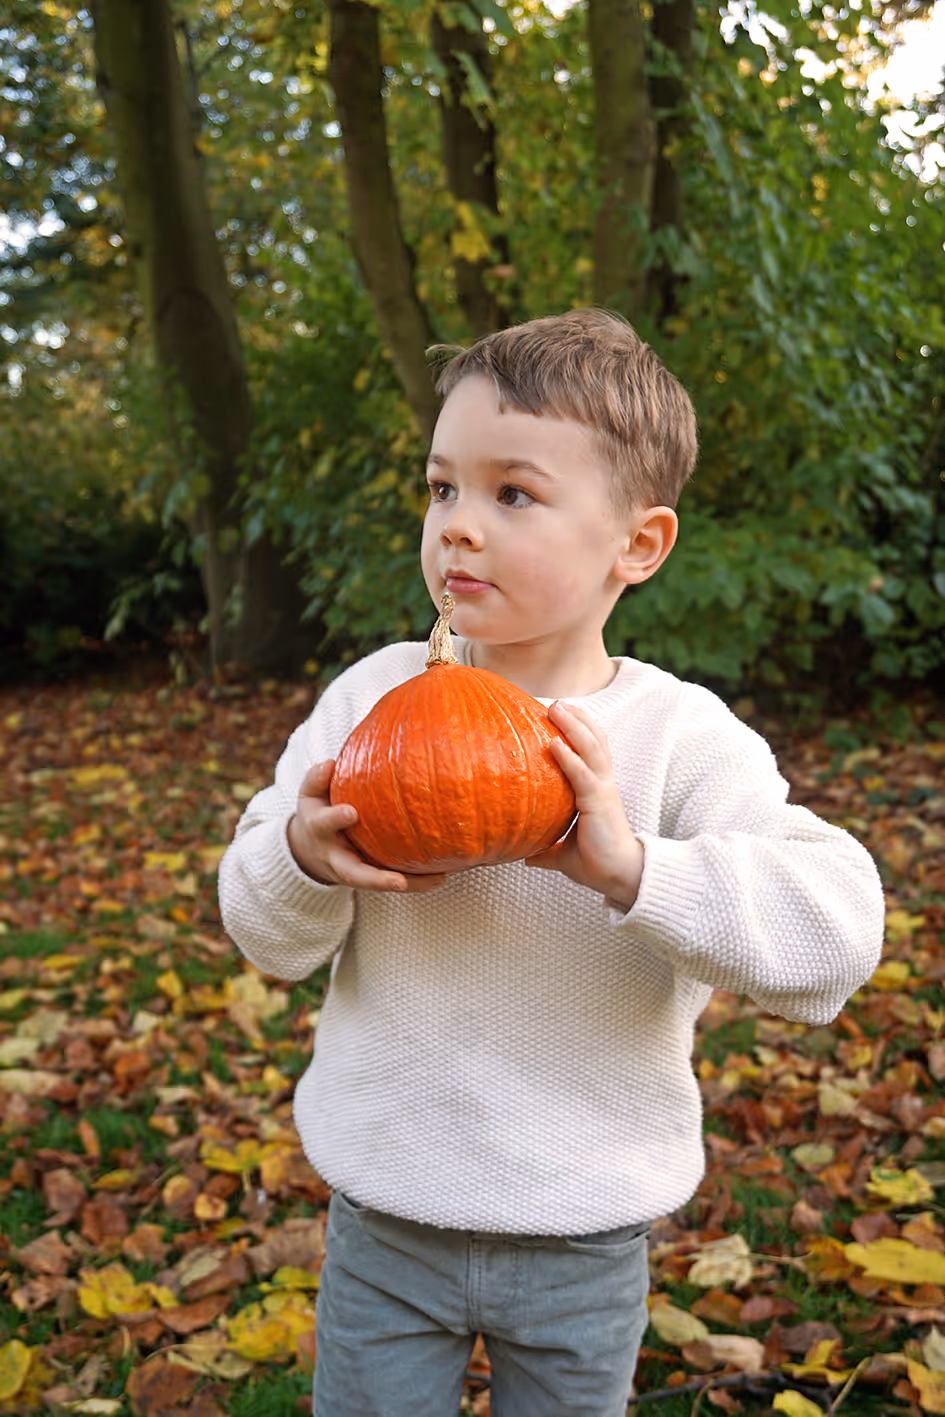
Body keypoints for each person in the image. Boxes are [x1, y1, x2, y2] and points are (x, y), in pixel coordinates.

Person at [218, 309, 885, 1417]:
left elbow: (832, 945)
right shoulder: (368, 706)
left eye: (511, 493)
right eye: (442, 489)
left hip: (587, 1230)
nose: (458, 528)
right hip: (387, 1216)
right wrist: (303, 854)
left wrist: (637, 870)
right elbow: (263, 934)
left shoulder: (678, 738)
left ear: (638, 543)